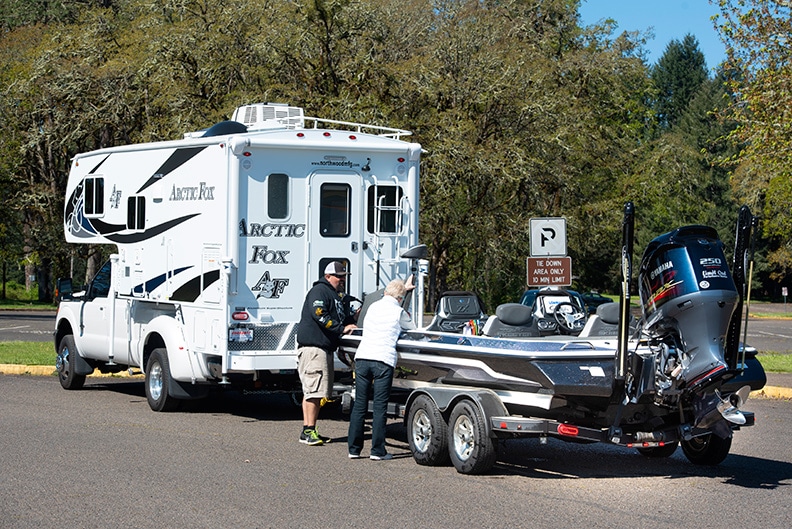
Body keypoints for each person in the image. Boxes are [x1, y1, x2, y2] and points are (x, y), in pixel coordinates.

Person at [347, 277, 415, 460]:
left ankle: (353, 449)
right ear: (400, 298)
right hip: (383, 359)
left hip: (362, 358)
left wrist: (404, 289)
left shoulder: (373, 307)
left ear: (385, 293)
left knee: (360, 405)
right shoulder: (399, 312)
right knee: (379, 407)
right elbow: (412, 329)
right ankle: (377, 451)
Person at [296, 261, 358, 446]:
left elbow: (338, 316)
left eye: (344, 277)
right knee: (313, 392)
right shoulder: (320, 291)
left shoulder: (336, 295)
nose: (342, 280)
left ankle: (309, 430)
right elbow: (319, 313)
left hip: (323, 349)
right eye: (339, 277)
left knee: (318, 391)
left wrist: (353, 317)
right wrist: (341, 328)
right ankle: (308, 431)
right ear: (328, 276)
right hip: (313, 349)